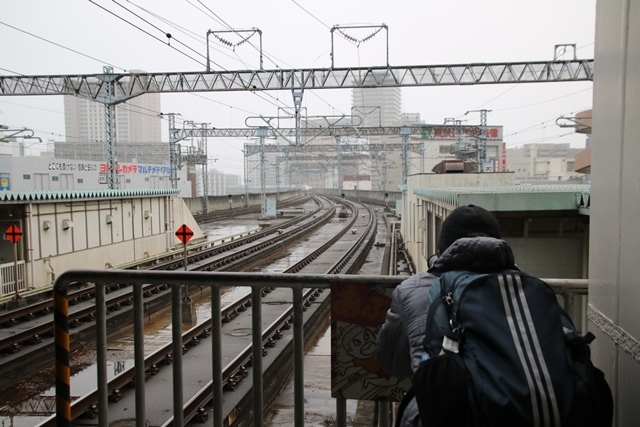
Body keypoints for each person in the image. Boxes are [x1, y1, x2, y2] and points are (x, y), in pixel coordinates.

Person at [376, 204, 517, 427]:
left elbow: (391, 359)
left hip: (442, 415)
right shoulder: (525, 288)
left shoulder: (413, 289)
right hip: (521, 411)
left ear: (440, 253)